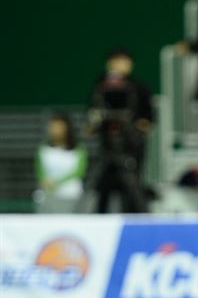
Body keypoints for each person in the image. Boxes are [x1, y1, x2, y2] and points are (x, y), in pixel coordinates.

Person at [87, 48, 153, 213]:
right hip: (107, 144)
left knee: (132, 184)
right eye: (116, 61)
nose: (120, 65)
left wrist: (140, 125)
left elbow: (149, 117)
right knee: (105, 185)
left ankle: (136, 219)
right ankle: (100, 220)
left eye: (124, 61)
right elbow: (93, 111)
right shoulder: (100, 86)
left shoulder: (139, 87)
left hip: (131, 145)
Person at [34, 113, 87, 213]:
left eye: (59, 126)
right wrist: (45, 181)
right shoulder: (43, 149)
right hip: (48, 196)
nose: (56, 130)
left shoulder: (78, 149)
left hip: (72, 196)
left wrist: (56, 182)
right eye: (53, 126)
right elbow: (40, 171)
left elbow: (79, 171)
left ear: (67, 128)